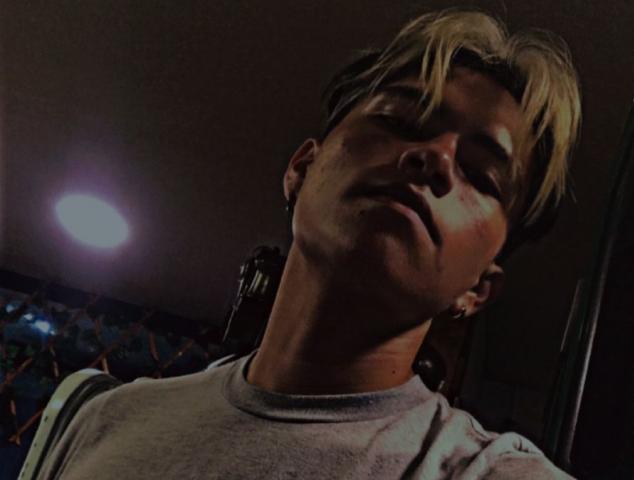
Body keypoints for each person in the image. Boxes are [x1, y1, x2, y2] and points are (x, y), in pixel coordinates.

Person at [38, 8, 581, 479]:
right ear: (302, 167)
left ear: (478, 289)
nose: (435, 157)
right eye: (398, 120)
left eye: (482, 175)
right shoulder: (103, 420)